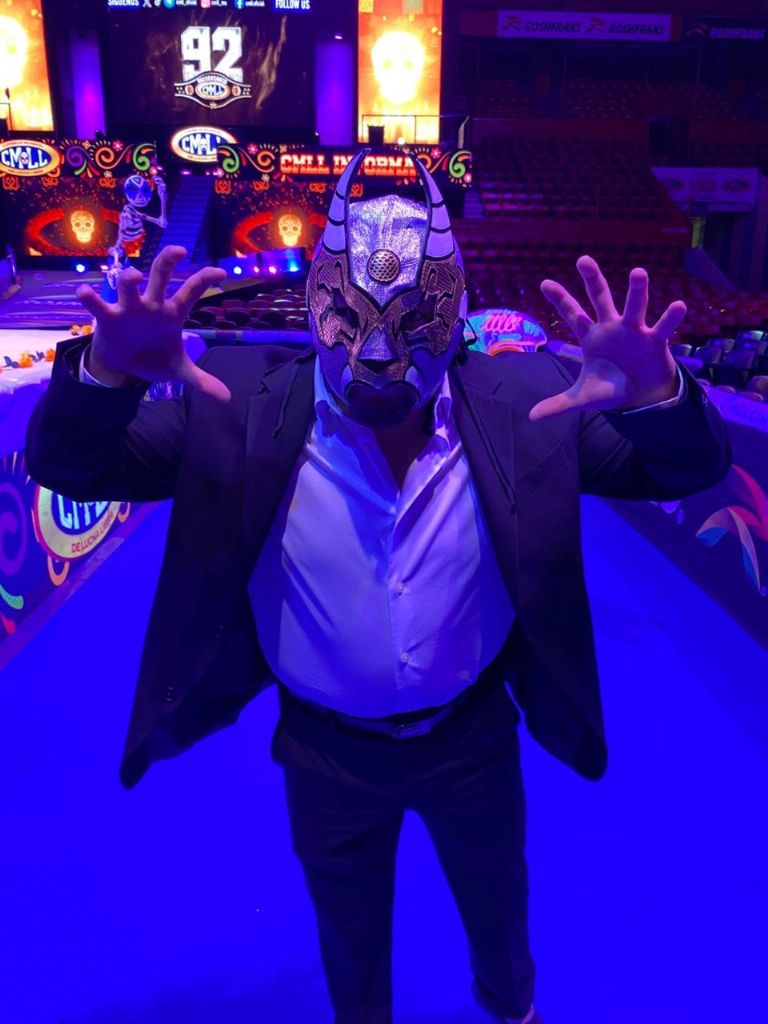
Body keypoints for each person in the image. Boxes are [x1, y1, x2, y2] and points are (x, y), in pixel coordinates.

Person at [25, 152, 730, 1024]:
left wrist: (656, 395)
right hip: (326, 752)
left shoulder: (529, 404)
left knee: (499, 906)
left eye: (414, 322)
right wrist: (106, 377)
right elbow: (70, 464)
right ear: (316, 301)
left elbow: (688, 467)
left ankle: (512, 1009)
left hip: (471, 739)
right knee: (349, 936)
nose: (381, 354)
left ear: (456, 309)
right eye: (352, 318)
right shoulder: (235, 405)